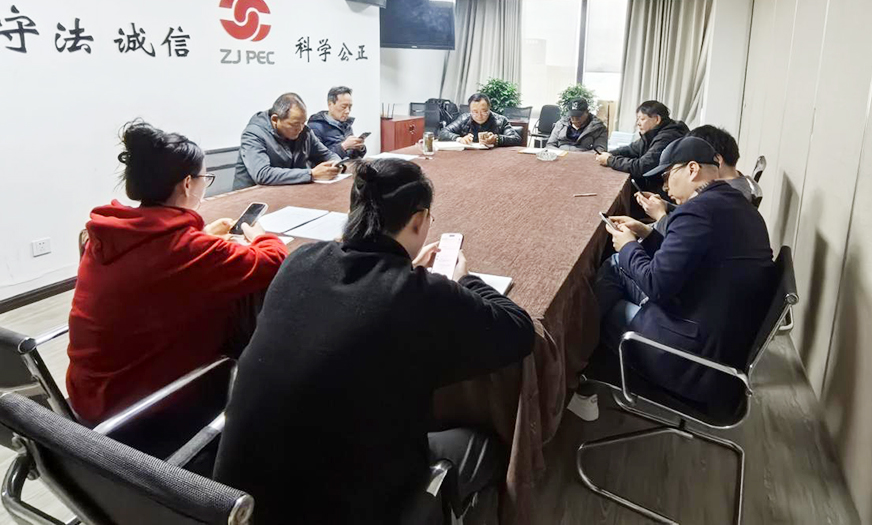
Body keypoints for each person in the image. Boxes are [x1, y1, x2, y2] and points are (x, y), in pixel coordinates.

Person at [215, 158, 536, 524]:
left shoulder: (299, 260)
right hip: (345, 507)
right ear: (419, 220)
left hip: (238, 505)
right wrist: (464, 280)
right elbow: (519, 331)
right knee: (486, 444)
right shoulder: (423, 294)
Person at [67, 121, 288, 425]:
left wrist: (202, 236)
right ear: (187, 184)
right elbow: (273, 259)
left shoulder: (107, 234)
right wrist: (259, 234)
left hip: (88, 396)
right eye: (204, 179)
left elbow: (156, 260)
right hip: (139, 411)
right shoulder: (186, 249)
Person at [592, 136, 774, 411]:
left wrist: (628, 244)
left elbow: (656, 285)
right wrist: (646, 233)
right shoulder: (738, 206)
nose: (665, 187)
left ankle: (575, 366)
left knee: (607, 302)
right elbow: (690, 258)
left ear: (692, 169)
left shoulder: (697, 212)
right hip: (716, 334)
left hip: (691, 360)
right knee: (617, 264)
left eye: (667, 176)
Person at [636, 126, 759, 232]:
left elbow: (687, 231)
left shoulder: (729, 196)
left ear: (717, 160)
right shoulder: (735, 185)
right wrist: (666, 206)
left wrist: (660, 215)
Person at [232, 92, 343, 190]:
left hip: (288, 192)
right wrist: (311, 174)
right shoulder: (253, 134)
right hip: (251, 198)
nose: (300, 128)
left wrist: (336, 164)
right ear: (275, 120)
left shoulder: (305, 132)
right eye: (295, 124)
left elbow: (328, 155)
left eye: (303, 123)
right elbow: (262, 174)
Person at [595, 100, 688, 189]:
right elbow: (631, 149)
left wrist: (610, 160)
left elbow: (642, 167)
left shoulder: (668, 136)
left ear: (657, 119)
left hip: (665, 189)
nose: (638, 123)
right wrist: (609, 154)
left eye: (642, 119)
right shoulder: (653, 133)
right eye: (638, 119)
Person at [437, 92, 522, 147]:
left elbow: (516, 139)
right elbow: (443, 133)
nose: (479, 116)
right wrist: (460, 139)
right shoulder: (464, 119)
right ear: (470, 110)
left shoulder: (501, 120)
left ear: (489, 108)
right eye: (475, 112)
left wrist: (496, 139)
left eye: (484, 111)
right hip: (469, 158)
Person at [307, 85, 368, 160]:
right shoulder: (315, 127)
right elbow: (317, 158)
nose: (347, 111)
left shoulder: (346, 124)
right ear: (330, 105)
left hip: (349, 165)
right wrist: (343, 146)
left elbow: (353, 156)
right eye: (343, 107)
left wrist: (359, 147)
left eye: (350, 107)